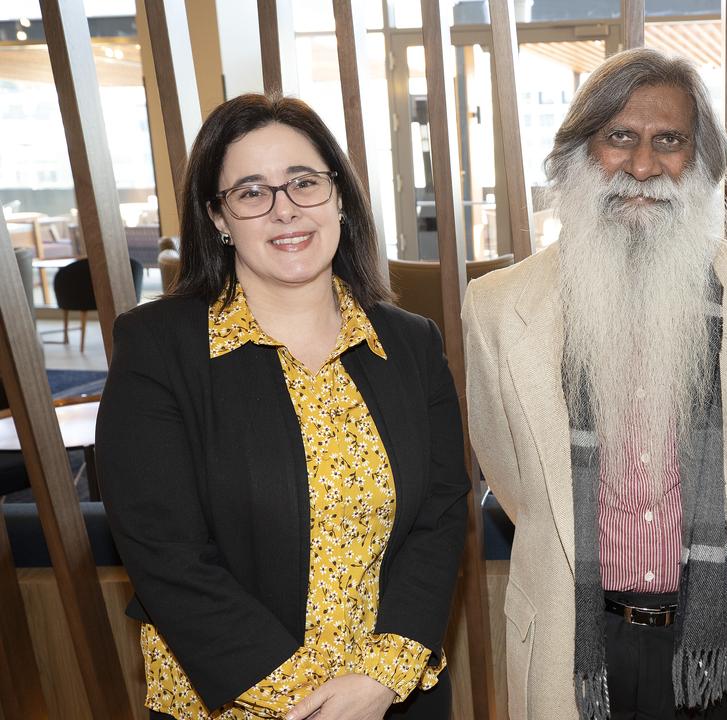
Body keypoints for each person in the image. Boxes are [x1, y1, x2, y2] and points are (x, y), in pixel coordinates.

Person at [97, 94, 468, 720]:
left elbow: (440, 511)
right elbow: (165, 550)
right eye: (251, 192)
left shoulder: (410, 342)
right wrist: (300, 700)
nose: (285, 210)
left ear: (340, 197)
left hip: (390, 696)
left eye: (304, 183)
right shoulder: (159, 349)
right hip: (236, 700)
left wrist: (380, 677)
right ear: (218, 217)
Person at [463, 48, 727, 719]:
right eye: (620, 138)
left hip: (712, 636)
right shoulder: (497, 305)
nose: (643, 167)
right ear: (580, 153)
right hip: (571, 635)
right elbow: (519, 484)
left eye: (669, 141)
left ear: (700, 162)